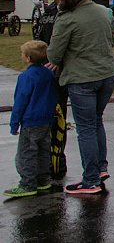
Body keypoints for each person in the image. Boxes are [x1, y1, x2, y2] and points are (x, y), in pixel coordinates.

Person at [46, 0, 114, 195]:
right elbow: (112, 40)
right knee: (96, 121)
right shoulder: (103, 11)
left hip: (82, 79)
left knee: (85, 128)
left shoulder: (66, 18)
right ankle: (100, 168)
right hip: (107, 75)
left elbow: (54, 55)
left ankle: (90, 180)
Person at [3, 41, 58, 198]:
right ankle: (42, 179)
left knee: (26, 153)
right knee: (43, 150)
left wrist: (14, 123)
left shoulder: (26, 77)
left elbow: (20, 101)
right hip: (46, 119)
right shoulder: (49, 74)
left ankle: (27, 184)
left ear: (28, 58)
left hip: (30, 120)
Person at [36, 0, 70, 179]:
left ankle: (57, 159)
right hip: (49, 69)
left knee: (59, 116)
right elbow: (40, 37)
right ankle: (49, 157)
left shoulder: (66, 12)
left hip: (63, 71)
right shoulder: (50, 11)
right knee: (51, 114)